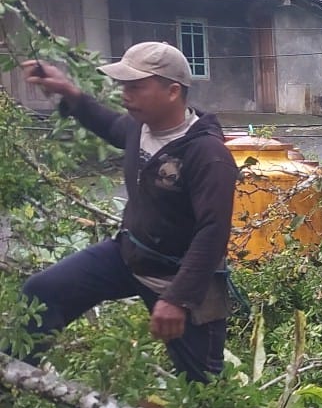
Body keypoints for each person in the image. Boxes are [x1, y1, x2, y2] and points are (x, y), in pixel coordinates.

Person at [20, 42, 239, 382]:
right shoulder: (141, 127)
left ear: (172, 91)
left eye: (135, 87)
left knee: (203, 385)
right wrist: (68, 91)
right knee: (43, 292)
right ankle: (11, 382)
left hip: (182, 278)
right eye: (124, 85)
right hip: (129, 256)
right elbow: (111, 126)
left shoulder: (207, 154)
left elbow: (213, 233)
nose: (125, 94)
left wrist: (177, 299)